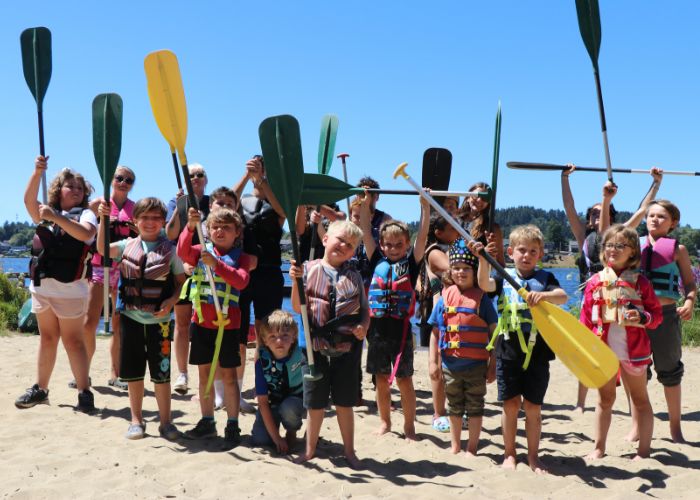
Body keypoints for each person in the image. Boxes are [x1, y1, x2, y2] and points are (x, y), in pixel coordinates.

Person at [562, 166, 662, 412]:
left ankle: (630, 403)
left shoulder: (618, 236)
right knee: (588, 350)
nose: (598, 217)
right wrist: (564, 178)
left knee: (624, 352)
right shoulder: (583, 236)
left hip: (619, 298)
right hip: (595, 298)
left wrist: (656, 184)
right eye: (593, 214)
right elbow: (569, 208)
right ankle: (580, 402)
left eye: (602, 213)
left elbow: (641, 210)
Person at [477, 225, 567, 473]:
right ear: (510, 252)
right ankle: (509, 454)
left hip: (538, 351)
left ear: (539, 254)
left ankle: (534, 456)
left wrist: (545, 297)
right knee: (510, 404)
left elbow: (562, 297)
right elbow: (484, 285)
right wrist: (483, 259)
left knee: (533, 407)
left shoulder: (546, 279)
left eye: (532, 251)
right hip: (508, 349)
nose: (526, 255)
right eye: (521, 250)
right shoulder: (502, 275)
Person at [98, 197, 186, 440]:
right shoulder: (126, 246)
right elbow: (101, 249)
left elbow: (181, 284)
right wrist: (104, 219)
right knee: (134, 374)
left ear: (163, 221)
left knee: (162, 375)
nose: (150, 222)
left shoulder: (171, 250)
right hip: (131, 320)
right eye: (144, 217)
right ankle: (136, 419)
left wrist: (171, 301)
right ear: (135, 221)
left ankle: (166, 423)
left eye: (156, 217)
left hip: (161, 324)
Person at [15, 156, 97, 413]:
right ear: (58, 189)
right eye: (70, 186)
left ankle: (84, 392)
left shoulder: (86, 213)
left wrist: (55, 217)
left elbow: (85, 234)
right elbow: (29, 201)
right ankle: (41, 388)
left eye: (80, 188)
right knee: (48, 338)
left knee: (73, 341)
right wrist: (37, 171)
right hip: (43, 288)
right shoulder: (45, 212)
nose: (75, 191)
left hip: (71, 290)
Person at [288, 220, 368, 468]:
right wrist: (295, 281)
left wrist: (363, 327)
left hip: (346, 351)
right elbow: (295, 306)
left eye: (350, 244)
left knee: (345, 403)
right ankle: (309, 450)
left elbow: (364, 311)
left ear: (354, 252)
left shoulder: (354, 275)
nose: (344, 246)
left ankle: (350, 451)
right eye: (340, 239)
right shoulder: (307, 269)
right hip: (315, 351)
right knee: (315, 405)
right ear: (325, 239)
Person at [580, 224, 662, 460]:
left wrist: (642, 317)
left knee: (640, 399)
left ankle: (643, 451)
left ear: (633, 252)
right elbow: (585, 319)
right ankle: (599, 447)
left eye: (619, 245)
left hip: (634, 351)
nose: (612, 250)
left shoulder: (640, 283)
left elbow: (656, 317)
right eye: (608, 245)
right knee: (605, 400)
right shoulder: (595, 281)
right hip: (604, 351)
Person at [177, 207, 251, 446]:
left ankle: (232, 424)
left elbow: (240, 281)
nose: (220, 231)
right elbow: (182, 252)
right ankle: (207, 421)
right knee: (204, 374)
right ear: (207, 231)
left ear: (236, 232)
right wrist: (190, 227)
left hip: (228, 327)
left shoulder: (242, 257)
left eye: (226, 227)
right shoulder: (201, 251)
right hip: (201, 324)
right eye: (215, 227)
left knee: (229, 376)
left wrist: (217, 265)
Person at [360, 192, 430, 440]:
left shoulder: (411, 263)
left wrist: (425, 208)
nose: (392, 249)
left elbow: (423, 236)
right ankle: (385, 422)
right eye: (388, 245)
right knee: (380, 379)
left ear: (406, 245)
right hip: (377, 330)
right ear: (381, 245)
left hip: (400, 331)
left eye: (398, 244)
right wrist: (367, 204)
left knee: (404, 380)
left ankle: (409, 426)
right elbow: (366, 231)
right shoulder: (375, 258)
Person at [428, 239, 497, 455]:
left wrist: (493, 364)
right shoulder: (444, 297)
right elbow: (435, 332)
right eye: (456, 268)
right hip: (450, 365)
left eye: (466, 268)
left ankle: (473, 447)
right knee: (454, 407)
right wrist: (433, 362)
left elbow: (495, 334)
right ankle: (456, 445)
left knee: (475, 407)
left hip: (476, 365)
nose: (460, 272)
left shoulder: (482, 299)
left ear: (474, 270)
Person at [233, 155, 287, 413]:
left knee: (267, 332)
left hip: (270, 271)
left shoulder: (276, 198)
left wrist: (262, 180)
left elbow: (282, 214)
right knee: (240, 331)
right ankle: (239, 387)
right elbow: (227, 202)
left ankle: (264, 385)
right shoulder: (241, 201)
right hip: (244, 269)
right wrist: (246, 177)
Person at [638, 200, 695, 443]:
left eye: (661, 216)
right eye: (651, 215)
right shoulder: (633, 245)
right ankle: (637, 426)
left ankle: (675, 427)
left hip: (666, 315)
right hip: (636, 318)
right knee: (637, 371)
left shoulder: (677, 249)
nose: (654, 219)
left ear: (673, 223)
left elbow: (690, 283)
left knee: (670, 371)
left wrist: (690, 301)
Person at [83, 166, 137, 390]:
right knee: (89, 322)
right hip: (99, 265)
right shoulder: (98, 204)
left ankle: (116, 372)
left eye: (129, 180)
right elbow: (84, 226)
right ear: (111, 180)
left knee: (119, 323)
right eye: (119, 178)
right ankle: (82, 371)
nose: (124, 182)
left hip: (124, 267)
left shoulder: (136, 208)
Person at [166, 163, 210, 396]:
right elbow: (171, 234)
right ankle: (182, 373)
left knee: (207, 321)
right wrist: (179, 206)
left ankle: (211, 373)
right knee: (182, 322)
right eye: (191, 175)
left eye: (199, 175)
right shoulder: (177, 202)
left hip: (209, 270)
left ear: (205, 179)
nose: (195, 178)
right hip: (182, 268)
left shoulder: (212, 203)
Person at [417, 213, 460, 434]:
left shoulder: (449, 249)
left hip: (453, 313)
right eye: (453, 228)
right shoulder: (434, 252)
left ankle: (453, 410)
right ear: (439, 233)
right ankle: (438, 412)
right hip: (438, 315)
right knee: (438, 366)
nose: (458, 231)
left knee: (452, 364)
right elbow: (455, 273)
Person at [251, 310, 305, 454]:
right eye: (273, 336)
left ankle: (291, 431)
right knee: (260, 440)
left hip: (295, 401)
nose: (279, 341)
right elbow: (262, 402)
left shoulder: (301, 355)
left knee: (289, 408)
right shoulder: (262, 361)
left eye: (285, 335)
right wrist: (276, 439)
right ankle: (276, 431)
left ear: (294, 337)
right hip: (271, 404)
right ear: (265, 340)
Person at [458, 182, 504, 266]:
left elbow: (500, 264)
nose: (479, 200)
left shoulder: (492, 228)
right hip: (456, 271)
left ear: (488, 203)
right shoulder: (454, 221)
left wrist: (485, 254)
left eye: (484, 198)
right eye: (476, 195)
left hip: (479, 274)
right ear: (468, 197)